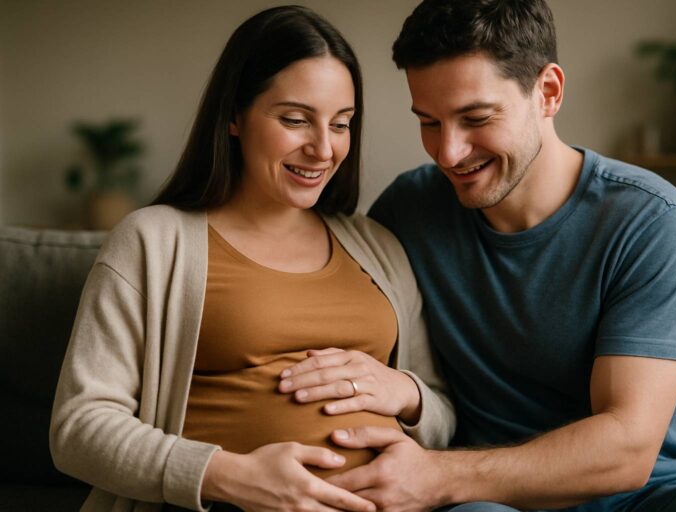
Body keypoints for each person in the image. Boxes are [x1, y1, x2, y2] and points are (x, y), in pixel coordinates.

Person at [322, 1, 676, 511]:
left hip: (658, 491)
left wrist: (434, 475)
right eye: (429, 122)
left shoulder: (651, 219)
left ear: (548, 92)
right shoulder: (408, 210)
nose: (448, 153)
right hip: (491, 499)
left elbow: (627, 449)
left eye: (476, 118)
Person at [49, 6, 454, 512]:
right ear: (235, 116)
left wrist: (407, 394)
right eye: (295, 120)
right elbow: (78, 428)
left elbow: (442, 412)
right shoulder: (153, 242)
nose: (323, 148)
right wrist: (230, 476)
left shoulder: (380, 246)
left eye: (341, 124)